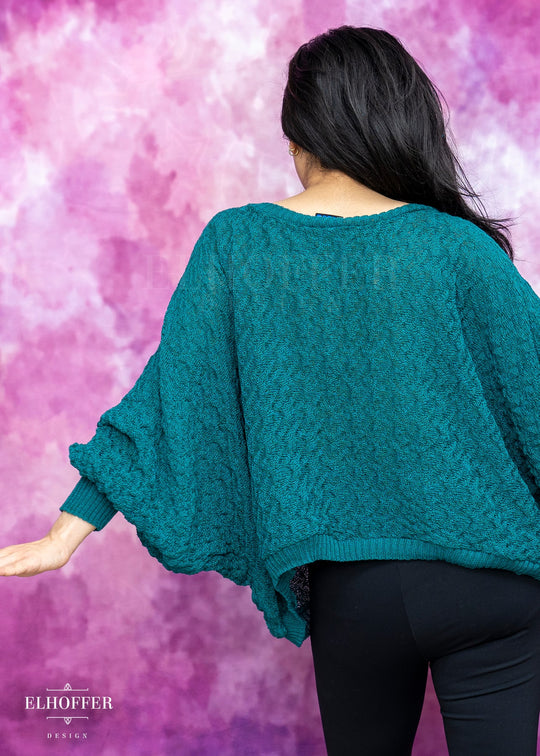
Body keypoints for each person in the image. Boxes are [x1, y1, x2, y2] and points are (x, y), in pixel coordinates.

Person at [2, 24, 540, 756]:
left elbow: (169, 400)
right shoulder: (460, 247)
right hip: (495, 580)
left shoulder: (240, 245)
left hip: (358, 593)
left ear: (297, 139)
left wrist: (67, 532)